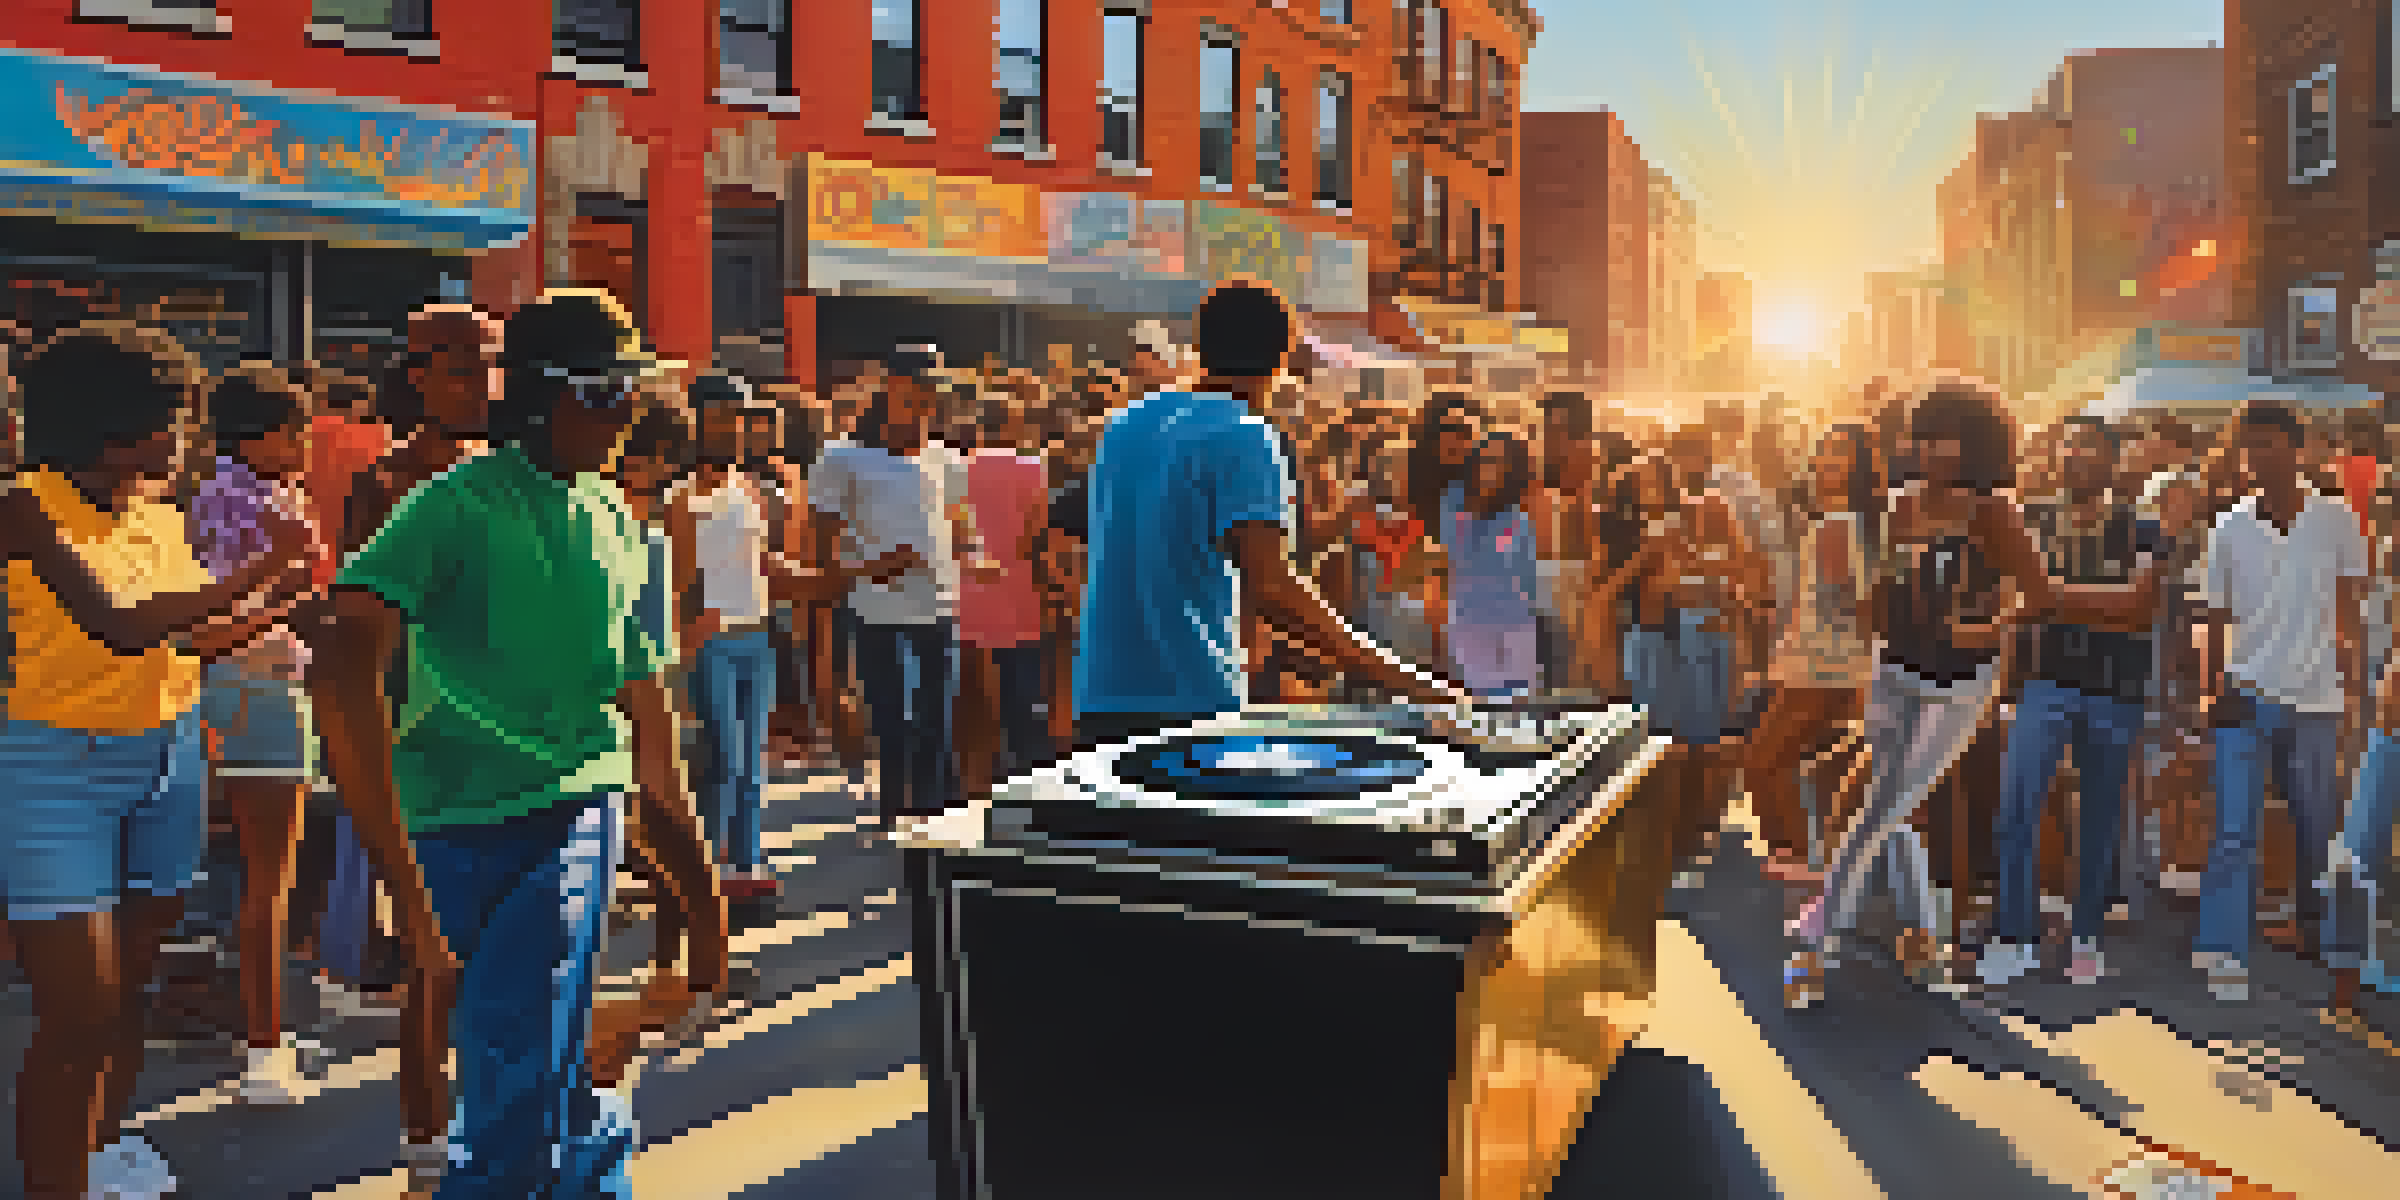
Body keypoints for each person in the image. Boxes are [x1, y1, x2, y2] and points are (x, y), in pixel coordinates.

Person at [308, 290, 729, 1198]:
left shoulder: (619, 522)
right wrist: (396, 877)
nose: (628, 417)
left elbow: (650, 734)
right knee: (525, 1073)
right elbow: (341, 661)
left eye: (632, 395)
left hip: (574, 815)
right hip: (451, 828)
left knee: (527, 1064)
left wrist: (702, 905)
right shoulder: (451, 507)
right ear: (544, 396)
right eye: (608, 393)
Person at [2, 322, 316, 1200]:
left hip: (167, 753)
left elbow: (188, 643)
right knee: (77, 1013)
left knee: (131, 987)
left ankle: (100, 1153)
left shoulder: (156, 517)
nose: (186, 440)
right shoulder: (23, 506)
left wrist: (279, 598)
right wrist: (258, 569)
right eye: (174, 421)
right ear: (114, 427)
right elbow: (121, 625)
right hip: (52, 767)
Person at [1783, 380, 2160, 1009]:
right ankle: (1924, 938)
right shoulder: (1896, 505)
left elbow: (2038, 596)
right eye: (1923, 436)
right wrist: (1867, 617)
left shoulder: (1994, 511)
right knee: (1894, 804)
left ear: (1977, 442)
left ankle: (1815, 936)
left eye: (1947, 438)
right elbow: (1879, 595)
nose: (1932, 450)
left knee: (1885, 804)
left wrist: (1988, 626)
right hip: (1895, 670)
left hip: (1961, 683)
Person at [1073, 280, 1464, 750]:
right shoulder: (1243, 434)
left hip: (1101, 697)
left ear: (1198, 345)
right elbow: (1273, 589)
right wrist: (1411, 683)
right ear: (1283, 356)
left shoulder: (1125, 424)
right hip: (1188, 706)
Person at [2193, 400, 2369, 1004]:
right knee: (2235, 827)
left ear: (2298, 450)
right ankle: (2221, 948)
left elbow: (2352, 603)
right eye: (2251, 445)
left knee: (2316, 825)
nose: (2259, 456)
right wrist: (2211, 686)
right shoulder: (2228, 528)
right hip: (2246, 692)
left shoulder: (2338, 519)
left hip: (2318, 700)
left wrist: (2353, 685)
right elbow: (2213, 617)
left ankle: (2314, 932)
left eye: (2271, 443)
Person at [1982, 416, 2163, 987]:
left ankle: (2085, 934)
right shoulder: (2031, 520)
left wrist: (2051, 597)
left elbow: (2139, 609)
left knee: (2098, 821)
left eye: (2088, 445)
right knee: (2016, 813)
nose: (2074, 454)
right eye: (2067, 445)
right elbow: (2016, 604)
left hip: (2116, 692)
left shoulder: (2142, 527)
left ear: (2111, 460)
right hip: (2044, 684)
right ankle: (2017, 935)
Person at [190, 363, 326, 1105]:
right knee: (267, 882)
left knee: (248, 878)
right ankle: (263, 1048)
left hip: (235, 691)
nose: (305, 444)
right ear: (262, 437)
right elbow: (229, 612)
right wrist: (294, 574)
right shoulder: (252, 502)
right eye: (295, 431)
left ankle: (261, 1028)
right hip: (260, 688)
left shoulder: (221, 493)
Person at [807, 345, 979, 832]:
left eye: (935, 389)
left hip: (940, 609)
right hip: (877, 612)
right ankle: (897, 814)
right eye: (917, 387)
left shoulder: (947, 459)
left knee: (937, 723)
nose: (927, 399)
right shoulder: (843, 458)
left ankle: (933, 819)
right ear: (890, 389)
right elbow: (821, 546)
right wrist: (871, 568)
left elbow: (960, 527)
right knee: (892, 721)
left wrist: (975, 553)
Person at [1744, 425, 1880, 885]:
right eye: (1824, 454)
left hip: (1826, 660)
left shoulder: (1838, 525)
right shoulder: (1848, 521)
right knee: (1800, 760)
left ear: (1860, 465)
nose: (1827, 463)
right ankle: (1807, 856)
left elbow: (1841, 603)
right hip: (1831, 658)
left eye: (1840, 456)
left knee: (1765, 758)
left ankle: (1800, 857)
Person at [671, 372, 783, 899]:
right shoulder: (680, 498)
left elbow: (766, 566)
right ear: (695, 421)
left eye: (739, 417)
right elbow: (671, 578)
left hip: (756, 638)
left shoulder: (753, 491)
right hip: (710, 644)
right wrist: (686, 632)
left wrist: (839, 575)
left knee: (751, 764)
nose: (733, 427)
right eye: (720, 416)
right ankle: (708, 871)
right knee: (723, 762)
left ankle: (746, 865)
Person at [956, 381, 1055, 798]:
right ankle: (1023, 780)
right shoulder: (1032, 469)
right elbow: (1037, 536)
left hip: (967, 596)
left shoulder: (957, 469)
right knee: (1022, 697)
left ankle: (972, 779)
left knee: (971, 700)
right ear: (1014, 425)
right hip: (1019, 596)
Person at [1440, 433, 1542, 699]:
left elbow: (1521, 575)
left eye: (1500, 461)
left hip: (1514, 626)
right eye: (1486, 458)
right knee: (1474, 714)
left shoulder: (1516, 516)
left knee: (1519, 710)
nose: (1490, 467)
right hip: (1469, 627)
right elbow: (1454, 557)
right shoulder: (1453, 503)